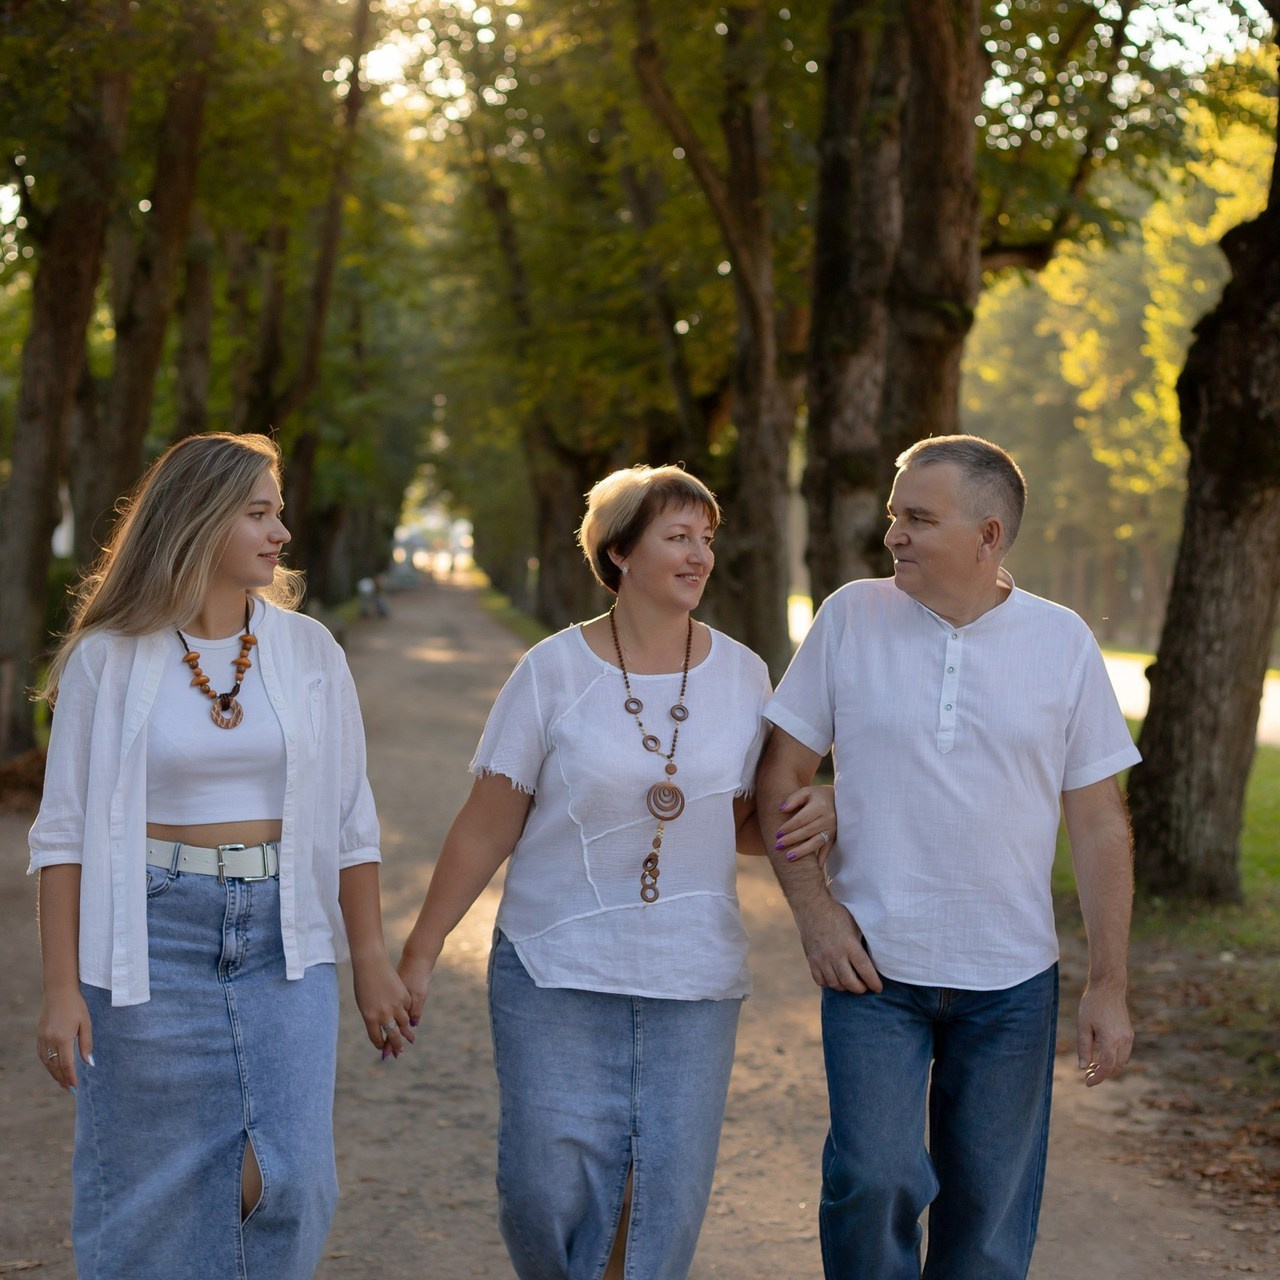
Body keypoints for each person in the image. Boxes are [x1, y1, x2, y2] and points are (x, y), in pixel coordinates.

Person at [397, 464, 837, 1280]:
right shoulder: (552, 671)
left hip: (691, 976)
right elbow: (488, 822)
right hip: (553, 968)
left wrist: (826, 813)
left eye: (706, 538)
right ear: (620, 552)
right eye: (677, 537)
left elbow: (743, 823)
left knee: (663, 1190)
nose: (700, 554)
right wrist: (422, 947)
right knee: (539, 1189)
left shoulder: (744, 673)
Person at [29, 432, 412, 1280]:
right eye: (259, 514)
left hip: (284, 938)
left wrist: (372, 960)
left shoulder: (310, 652)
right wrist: (61, 990)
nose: (280, 533)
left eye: (279, 513)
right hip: (151, 941)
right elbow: (62, 835)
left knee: (292, 1178)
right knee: (149, 1188)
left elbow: (352, 820)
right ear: (199, 521)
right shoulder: (108, 659)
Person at [757, 434, 1140, 1280]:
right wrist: (817, 914)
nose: (893, 534)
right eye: (895, 515)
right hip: (873, 972)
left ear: (989, 535)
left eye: (918, 519)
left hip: (1010, 982)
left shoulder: (1063, 642)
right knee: (873, 1177)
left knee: (989, 1224)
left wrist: (1107, 984)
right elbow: (779, 776)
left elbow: (1101, 824)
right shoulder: (850, 616)